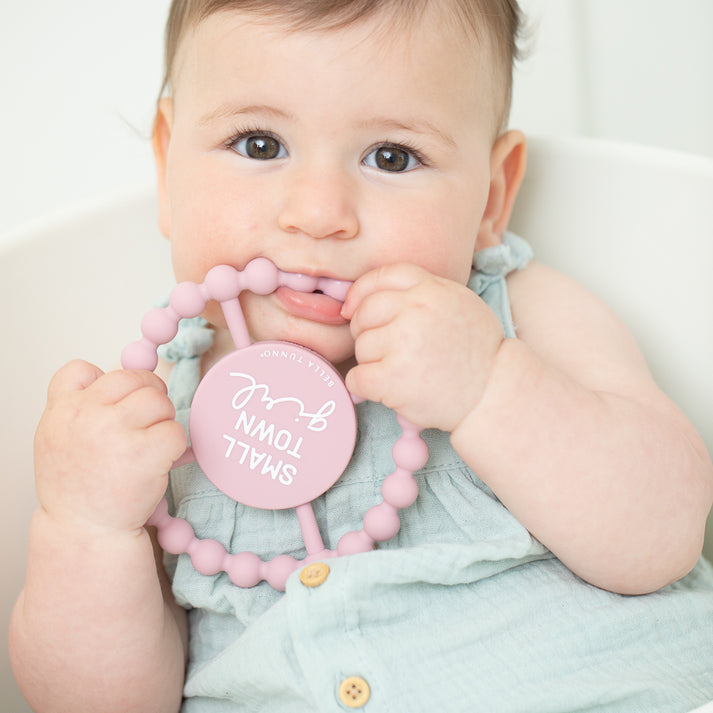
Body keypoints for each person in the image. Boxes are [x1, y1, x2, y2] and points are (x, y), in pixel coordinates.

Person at [9, 1, 713, 711]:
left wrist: (488, 385)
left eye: (391, 157)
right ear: (167, 167)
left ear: (491, 196)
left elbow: (661, 535)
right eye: (258, 144)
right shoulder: (151, 420)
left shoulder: (516, 315)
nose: (317, 212)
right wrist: (85, 530)